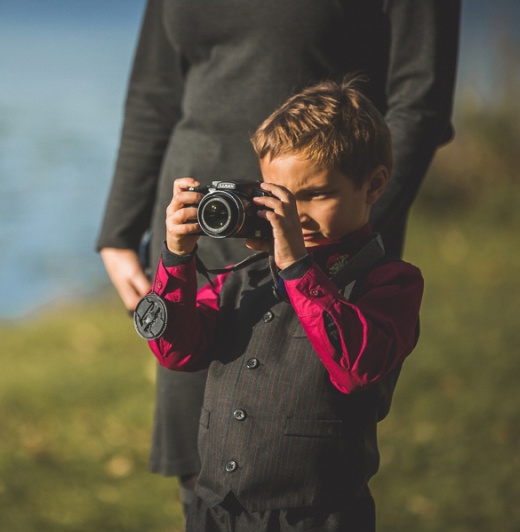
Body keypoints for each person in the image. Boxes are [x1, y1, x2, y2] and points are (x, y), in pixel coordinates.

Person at [96, 0, 459, 510]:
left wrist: (341, 245)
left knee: (303, 431)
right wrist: (142, 245)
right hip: (210, 229)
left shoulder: (383, 278)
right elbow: (153, 95)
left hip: (335, 243)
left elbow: (421, 98)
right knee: (202, 453)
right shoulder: (235, 278)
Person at [142, 77, 423, 531]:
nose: (293, 213)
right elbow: (177, 352)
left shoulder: (390, 282)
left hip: (318, 516)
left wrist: (295, 266)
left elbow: (356, 367)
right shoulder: (242, 277)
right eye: (277, 196)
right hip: (215, 511)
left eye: (315, 194)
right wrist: (177, 258)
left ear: (373, 185)